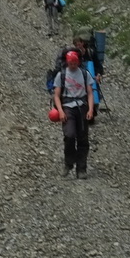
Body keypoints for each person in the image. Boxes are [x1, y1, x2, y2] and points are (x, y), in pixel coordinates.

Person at [48, 48, 96, 178]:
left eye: (75, 63)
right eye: (71, 63)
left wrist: (91, 109)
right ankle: (68, 163)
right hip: (68, 107)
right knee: (69, 135)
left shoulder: (85, 74)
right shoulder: (61, 75)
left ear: (78, 62)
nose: (73, 66)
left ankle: (81, 169)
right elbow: (56, 95)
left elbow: (90, 93)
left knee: (82, 138)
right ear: (67, 62)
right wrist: (61, 111)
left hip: (82, 107)